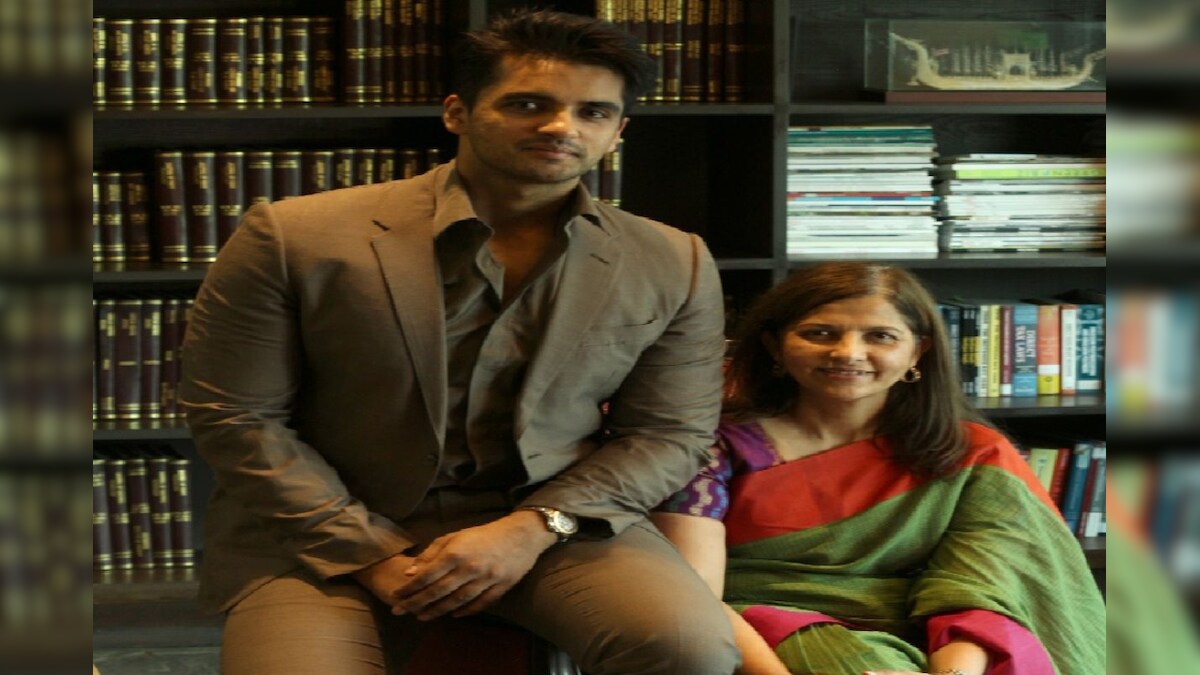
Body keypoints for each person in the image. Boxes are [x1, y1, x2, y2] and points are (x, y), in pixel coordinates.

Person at [180, 10, 738, 675]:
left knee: (688, 650)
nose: (561, 127)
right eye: (528, 104)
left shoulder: (674, 260)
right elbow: (237, 417)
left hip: (550, 522)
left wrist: (533, 529)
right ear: (457, 113)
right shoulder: (293, 236)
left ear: (617, 132)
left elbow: (668, 434)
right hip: (321, 528)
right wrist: (371, 552)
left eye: (593, 112)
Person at [652, 262, 1106, 675]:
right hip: (757, 633)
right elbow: (697, 595)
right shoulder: (711, 448)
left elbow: (983, 593)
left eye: (880, 336)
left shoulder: (972, 454)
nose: (848, 352)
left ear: (918, 352)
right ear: (775, 345)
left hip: (932, 640)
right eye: (820, 333)